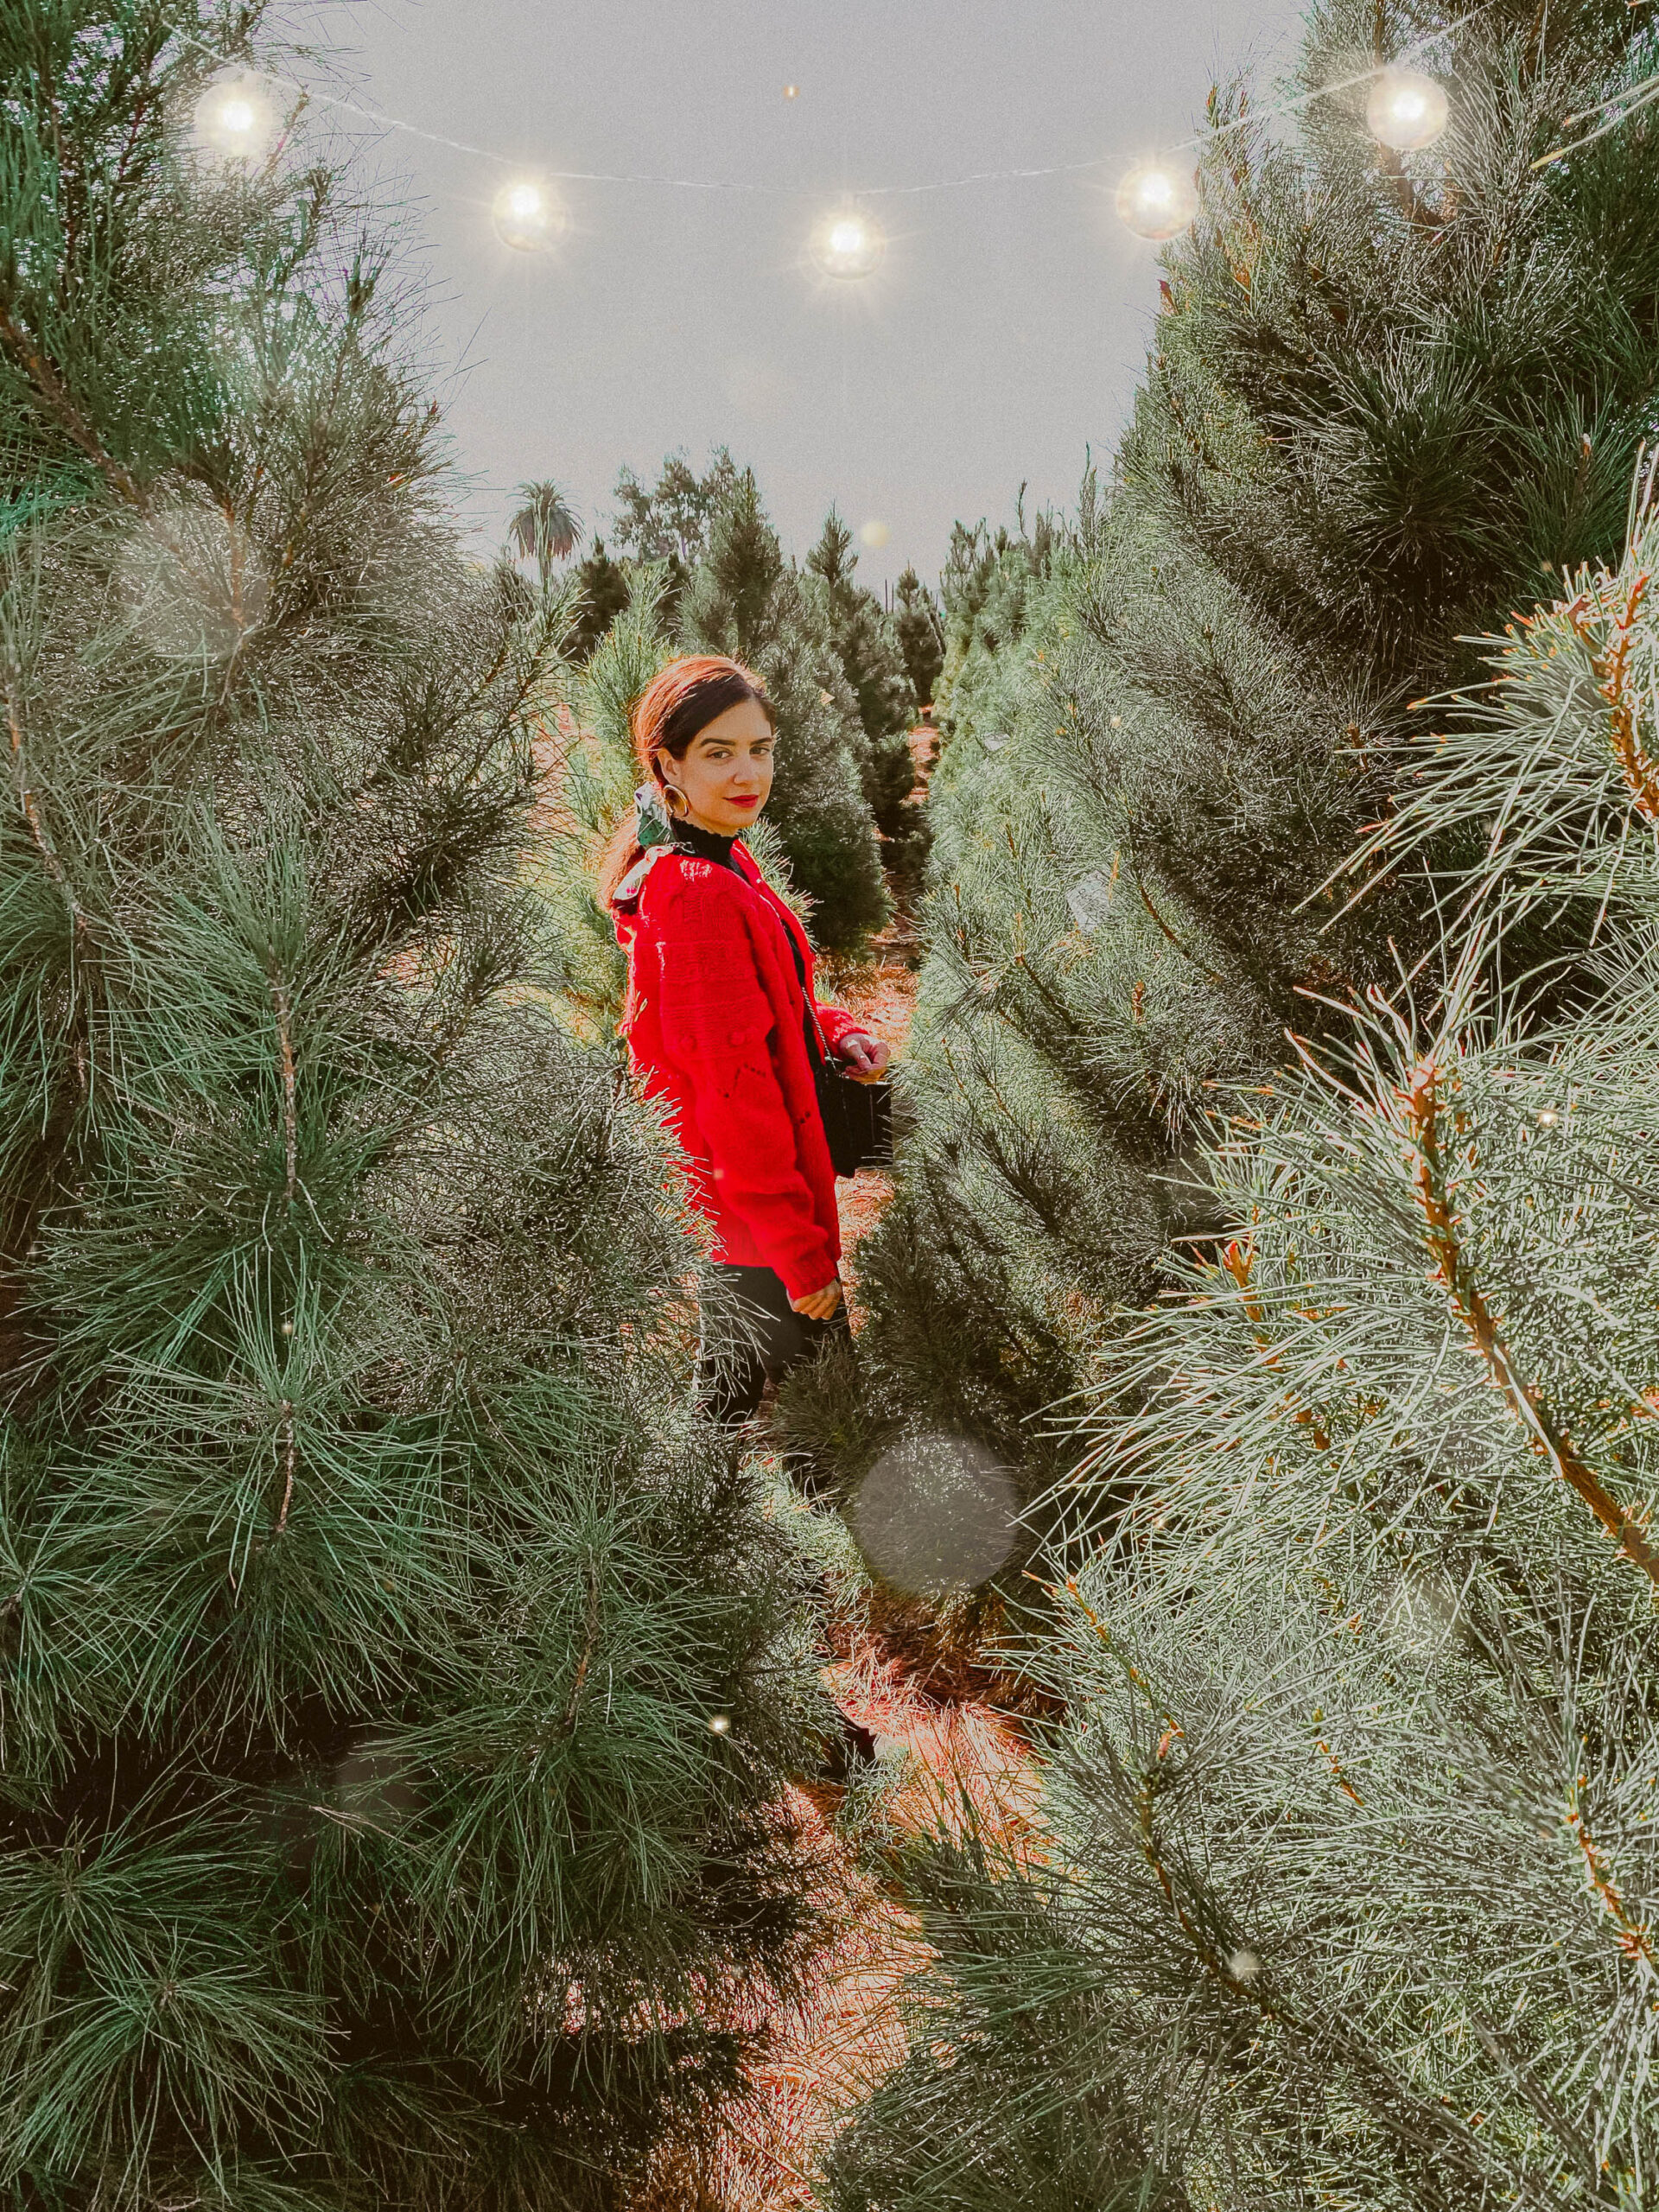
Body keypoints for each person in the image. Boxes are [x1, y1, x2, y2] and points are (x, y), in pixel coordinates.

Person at [603, 654, 891, 1422]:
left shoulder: (719, 862)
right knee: (831, 1432)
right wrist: (799, 1253)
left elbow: (775, 1003)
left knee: (723, 1401)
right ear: (668, 763)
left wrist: (839, 1031)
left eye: (759, 748)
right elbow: (734, 1091)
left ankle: (675, 1526)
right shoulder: (697, 892)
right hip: (757, 1210)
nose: (747, 772)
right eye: (718, 752)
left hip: (734, 1211)